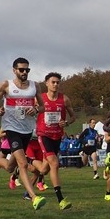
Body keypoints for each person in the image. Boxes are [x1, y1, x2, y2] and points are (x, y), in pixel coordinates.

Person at [0, 58, 45, 209]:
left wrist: (36, 109)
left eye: (27, 70)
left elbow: (43, 106)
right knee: (23, 163)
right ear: (14, 70)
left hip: (27, 129)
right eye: (21, 69)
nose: (25, 72)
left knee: (9, 167)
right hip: (11, 128)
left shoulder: (35, 86)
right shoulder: (6, 85)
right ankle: (34, 197)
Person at [35, 72, 75, 210]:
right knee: (54, 163)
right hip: (44, 135)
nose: (55, 84)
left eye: (58, 82)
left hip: (57, 136)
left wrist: (67, 123)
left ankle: (28, 163)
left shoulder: (64, 99)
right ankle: (60, 199)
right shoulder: (40, 98)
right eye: (53, 82)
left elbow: (73, 117)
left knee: (44, 169)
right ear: (46, 83)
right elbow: (30, 111)